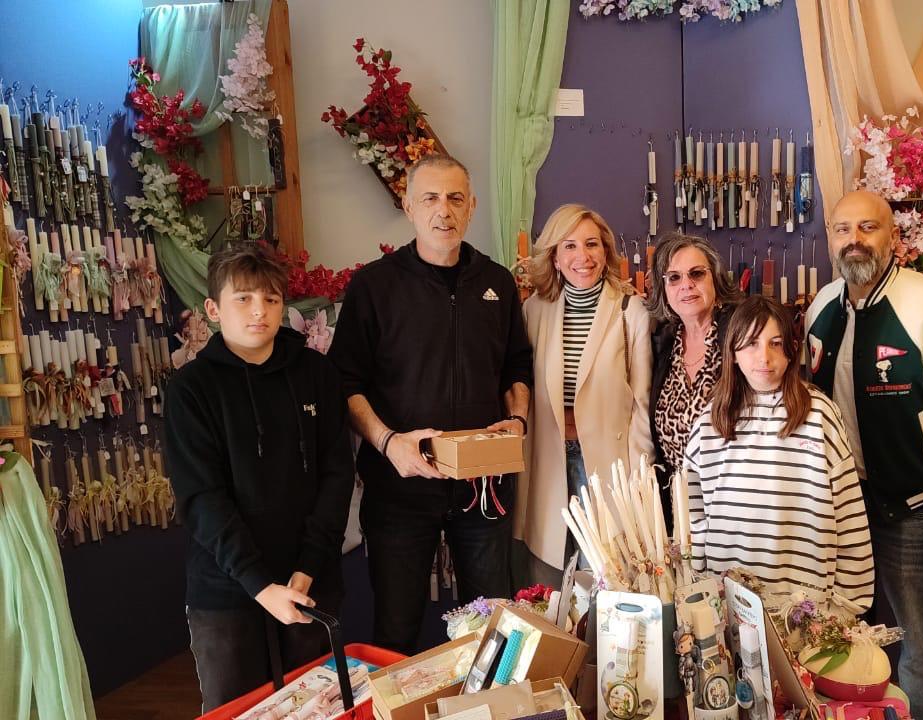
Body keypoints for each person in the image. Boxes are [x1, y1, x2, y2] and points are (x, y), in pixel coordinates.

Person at [328, 154, 533, 655]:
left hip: (482, 487)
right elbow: (344, 382)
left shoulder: (498, 282)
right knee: (396, 628)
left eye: (455, 198)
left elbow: (517, 366)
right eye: (431, 198)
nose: (444, 210)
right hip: (399, 488)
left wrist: (517, 419)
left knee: (492, 629)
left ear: (472, 207)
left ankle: (490, 699)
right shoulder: (374, 286)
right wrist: (388, 442)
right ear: (409, 207)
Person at [805, 190, 923, 720]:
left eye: (868, 227)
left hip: (914, 505)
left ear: (893, 237)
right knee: (845, 632)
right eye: (843, 229)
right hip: (845, 505)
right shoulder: (822, 310)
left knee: (920, 633)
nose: (855, 240)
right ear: (830, 239)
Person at [166, 243, 355, 712]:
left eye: (271, 299)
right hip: (226, 588)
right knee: (236, 709)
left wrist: (308, 567)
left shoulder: (316, 374)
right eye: (244, 298)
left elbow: (337, 475)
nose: (259, 311)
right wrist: (259, 585)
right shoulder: (191, 389)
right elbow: (202, 498)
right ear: (213, 309)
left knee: (318, 706)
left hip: (310, 579)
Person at [683, 296, 874, 606]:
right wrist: (700, 593)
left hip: (805, 607)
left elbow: (849, 514)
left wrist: (848, 604)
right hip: (729, 602)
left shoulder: (819, 416)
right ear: (733, 352)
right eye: (751, 344)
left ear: (790, 351)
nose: (764, 358)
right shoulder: (709, 423)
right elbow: (695, 520)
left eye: (775, 344)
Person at [516, 203, 654, 585]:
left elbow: (642, 403)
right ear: (555, 257)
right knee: (548, 578)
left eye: (592, 244)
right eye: (570, 246)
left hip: (608, 464)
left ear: (605, 252)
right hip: (549, 459)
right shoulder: (534, 311)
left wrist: (639, 475)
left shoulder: (630, 311)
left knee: (607, 576)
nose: (583, 256)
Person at [646, 233, 741, 525]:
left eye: (696, 274)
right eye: (674, 278)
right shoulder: (663, 343)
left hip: (736, 502)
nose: (686, 284)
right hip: (680, 508)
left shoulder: (739, 334)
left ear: (715, 279)